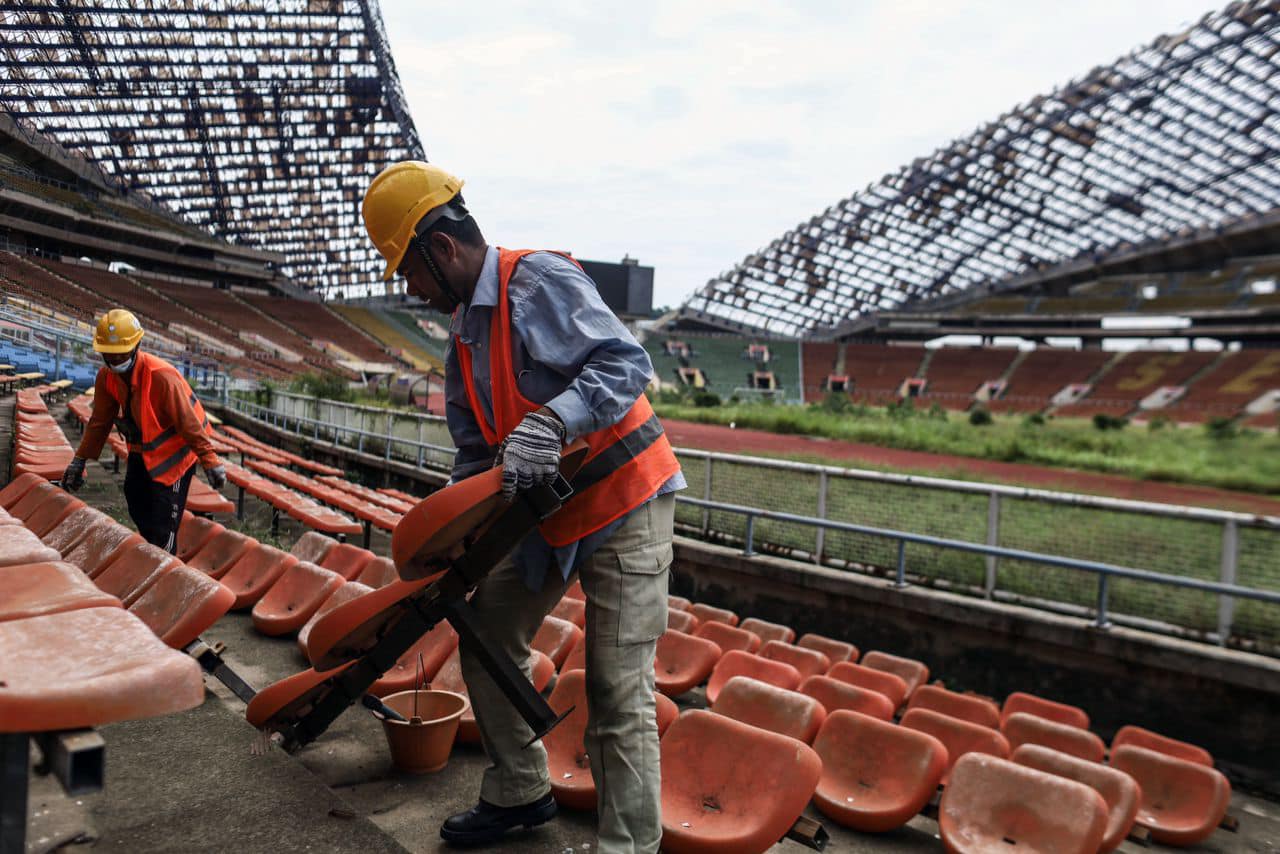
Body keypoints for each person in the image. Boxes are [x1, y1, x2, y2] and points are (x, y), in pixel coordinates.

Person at [362, 161, 684, 852]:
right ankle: (520, 788)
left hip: (626, 501)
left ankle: (628, 845)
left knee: (615, 686)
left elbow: (626, 364)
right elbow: (476, 455)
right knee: (485, 633)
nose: (410, 289)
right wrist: (458, 533)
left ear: (442, 250)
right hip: (550, 514)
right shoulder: (465, 334)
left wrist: (554, 421)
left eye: (409, 271)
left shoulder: (536, 280)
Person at [62, 309, 226, 554]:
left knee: (163, 519)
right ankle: (153, 553)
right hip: (146, 449)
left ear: (136, 346)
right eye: (110, 355)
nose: (116, 360)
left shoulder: (161, 377)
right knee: (135, 495)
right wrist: (79, 459)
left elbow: (188, 423)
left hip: (178, 453)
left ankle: (165, 566)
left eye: (121, 354)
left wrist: (210, 461)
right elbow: (100, 421)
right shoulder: (107, 377)